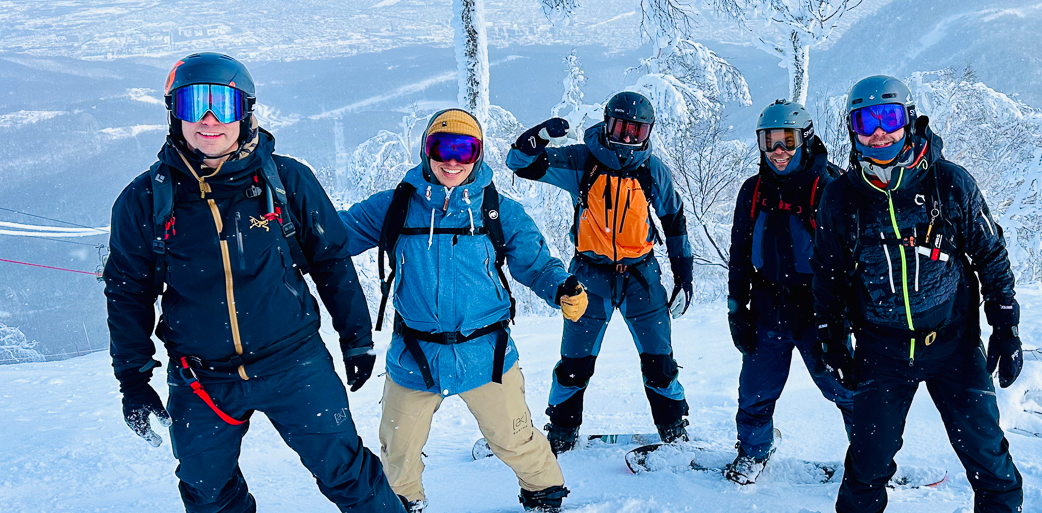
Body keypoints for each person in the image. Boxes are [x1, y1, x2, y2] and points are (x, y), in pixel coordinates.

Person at [104, 52, 403, 513]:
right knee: (208, 494)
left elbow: (331, 261)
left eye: (221, 104)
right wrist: (134, 379)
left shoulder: (286, 181)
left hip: (294, 363)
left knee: (349, 474)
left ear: (243, 111)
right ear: (173, 113)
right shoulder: (145, 201)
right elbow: (128, 294)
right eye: (192, 103)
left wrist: (356, 338)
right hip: (202, 378)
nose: (207, 119)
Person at [339, 108, 585, 513]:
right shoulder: (396, 208)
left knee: (515, 439)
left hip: (486, 353)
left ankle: (545, 497)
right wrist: (275, 228)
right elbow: (332, 234)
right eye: (442, 148)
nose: (452, 161)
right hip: (415, 355)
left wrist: (561, 288)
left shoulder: (499, 211)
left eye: (464, 150)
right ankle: (403, 506)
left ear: (478, 155)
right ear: (426, 150)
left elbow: (536, 264)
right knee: (398, 451)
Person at [812, 75, 1026, 513]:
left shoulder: (949, 184)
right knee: (867, 465)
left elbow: (990, 255)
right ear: (851, 129)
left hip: (953, 344)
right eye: (865, 121)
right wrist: (832, 337)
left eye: (888, 118)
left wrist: (1005, 324)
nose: (878, 133)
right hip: (882, 350)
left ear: (909, 120)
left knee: (988, 456)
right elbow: (828, 275)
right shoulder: (841, 199)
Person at [506, 91, 694, 453]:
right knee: (574, 363)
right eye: (621, 127)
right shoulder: (583, 160)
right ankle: (561, 428)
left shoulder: (652, 169)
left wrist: (683, 276)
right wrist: (537, 138)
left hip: (642, 277)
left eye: (636, 132)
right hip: (590, 278)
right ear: (607, 123)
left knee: (660, 361)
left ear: (648, 132)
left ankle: (673, 426)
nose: (627, 138)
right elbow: (521, 164)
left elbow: (674, 221)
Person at [724, 100, 854, 484]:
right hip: (768, 306)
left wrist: (846, 318)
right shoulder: (754, 190)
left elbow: (852, 259)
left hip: (820, 309)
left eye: (787, 141)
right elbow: (739, 252)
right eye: (769, 142)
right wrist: (736, 307)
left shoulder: (831, 187)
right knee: (755, 392)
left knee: (844, 386)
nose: (778, 151)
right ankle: (753, 451)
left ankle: (869, 456)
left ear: (806, 139)